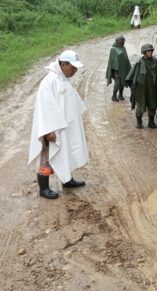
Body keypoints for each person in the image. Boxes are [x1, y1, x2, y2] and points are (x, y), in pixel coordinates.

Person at [28, 50, 89, 200]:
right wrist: (49, 130)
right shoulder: (50, 81)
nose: (75, 71)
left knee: (66, 151)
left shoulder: (64, 79)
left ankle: (67, 180)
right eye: (73, 67)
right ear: (63, 64)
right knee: (47, 157)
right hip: (52, 129)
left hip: (65, 127)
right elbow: (45, 107)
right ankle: (44, 188)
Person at [126, 44, 157, 129]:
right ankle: (139, 122)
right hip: (142, 89)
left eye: (151, 50)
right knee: (140, 105)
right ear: (144, 52)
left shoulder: (156, 61)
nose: (150, 52)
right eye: (148, 51)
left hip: (153, 88)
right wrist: (134, 87)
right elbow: (131, 76)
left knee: (152, 105)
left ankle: (151, 123)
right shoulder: (139, 62)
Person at [106, 36, 131, 102]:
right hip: (116, 70)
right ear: (117, 42)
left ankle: (120, 95)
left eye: (123, 41)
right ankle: (114, 96)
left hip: (123, 69)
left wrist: (128, 67)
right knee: (117, 83)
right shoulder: (113, 49)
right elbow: (112, 61)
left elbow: (126, 58)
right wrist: (115, 69)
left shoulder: (123, 48)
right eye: (121, 41)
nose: (123, 43)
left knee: (122, 82)